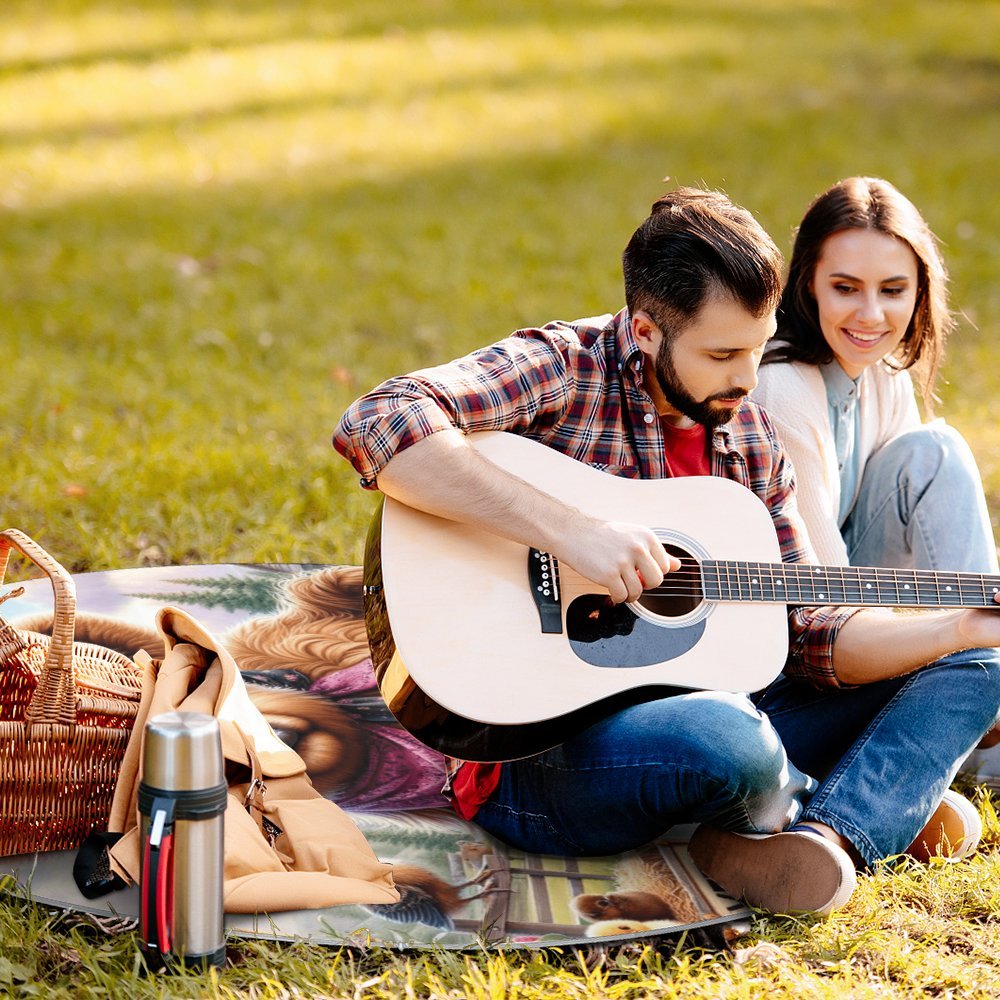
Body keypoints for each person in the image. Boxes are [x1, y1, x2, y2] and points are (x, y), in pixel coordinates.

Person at [333, 187, 1000, 916]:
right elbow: (380, 419)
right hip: (539, 756)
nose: (748, 380)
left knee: (980, 665)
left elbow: (809, 629)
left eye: (757, 346)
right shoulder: (564, 367)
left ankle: (829, 836)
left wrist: (956, 628)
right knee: (728, 741)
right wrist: (569, 530)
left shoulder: (748, 436)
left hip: (728, 710)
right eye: (722, 354)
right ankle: (855, 796)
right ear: (646, 330)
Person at [753, 176, 1000, 818]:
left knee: (933, 451)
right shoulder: (783, 388)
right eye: (845, 288)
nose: (871, 316)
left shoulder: (883, 374)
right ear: (807, 282)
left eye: (893, 290)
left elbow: (920, 554)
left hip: (861, 606)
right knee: (937, 452)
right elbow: (821, 599)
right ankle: (975, 707)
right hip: (797, 643)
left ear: (919, 291)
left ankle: (975, 696)